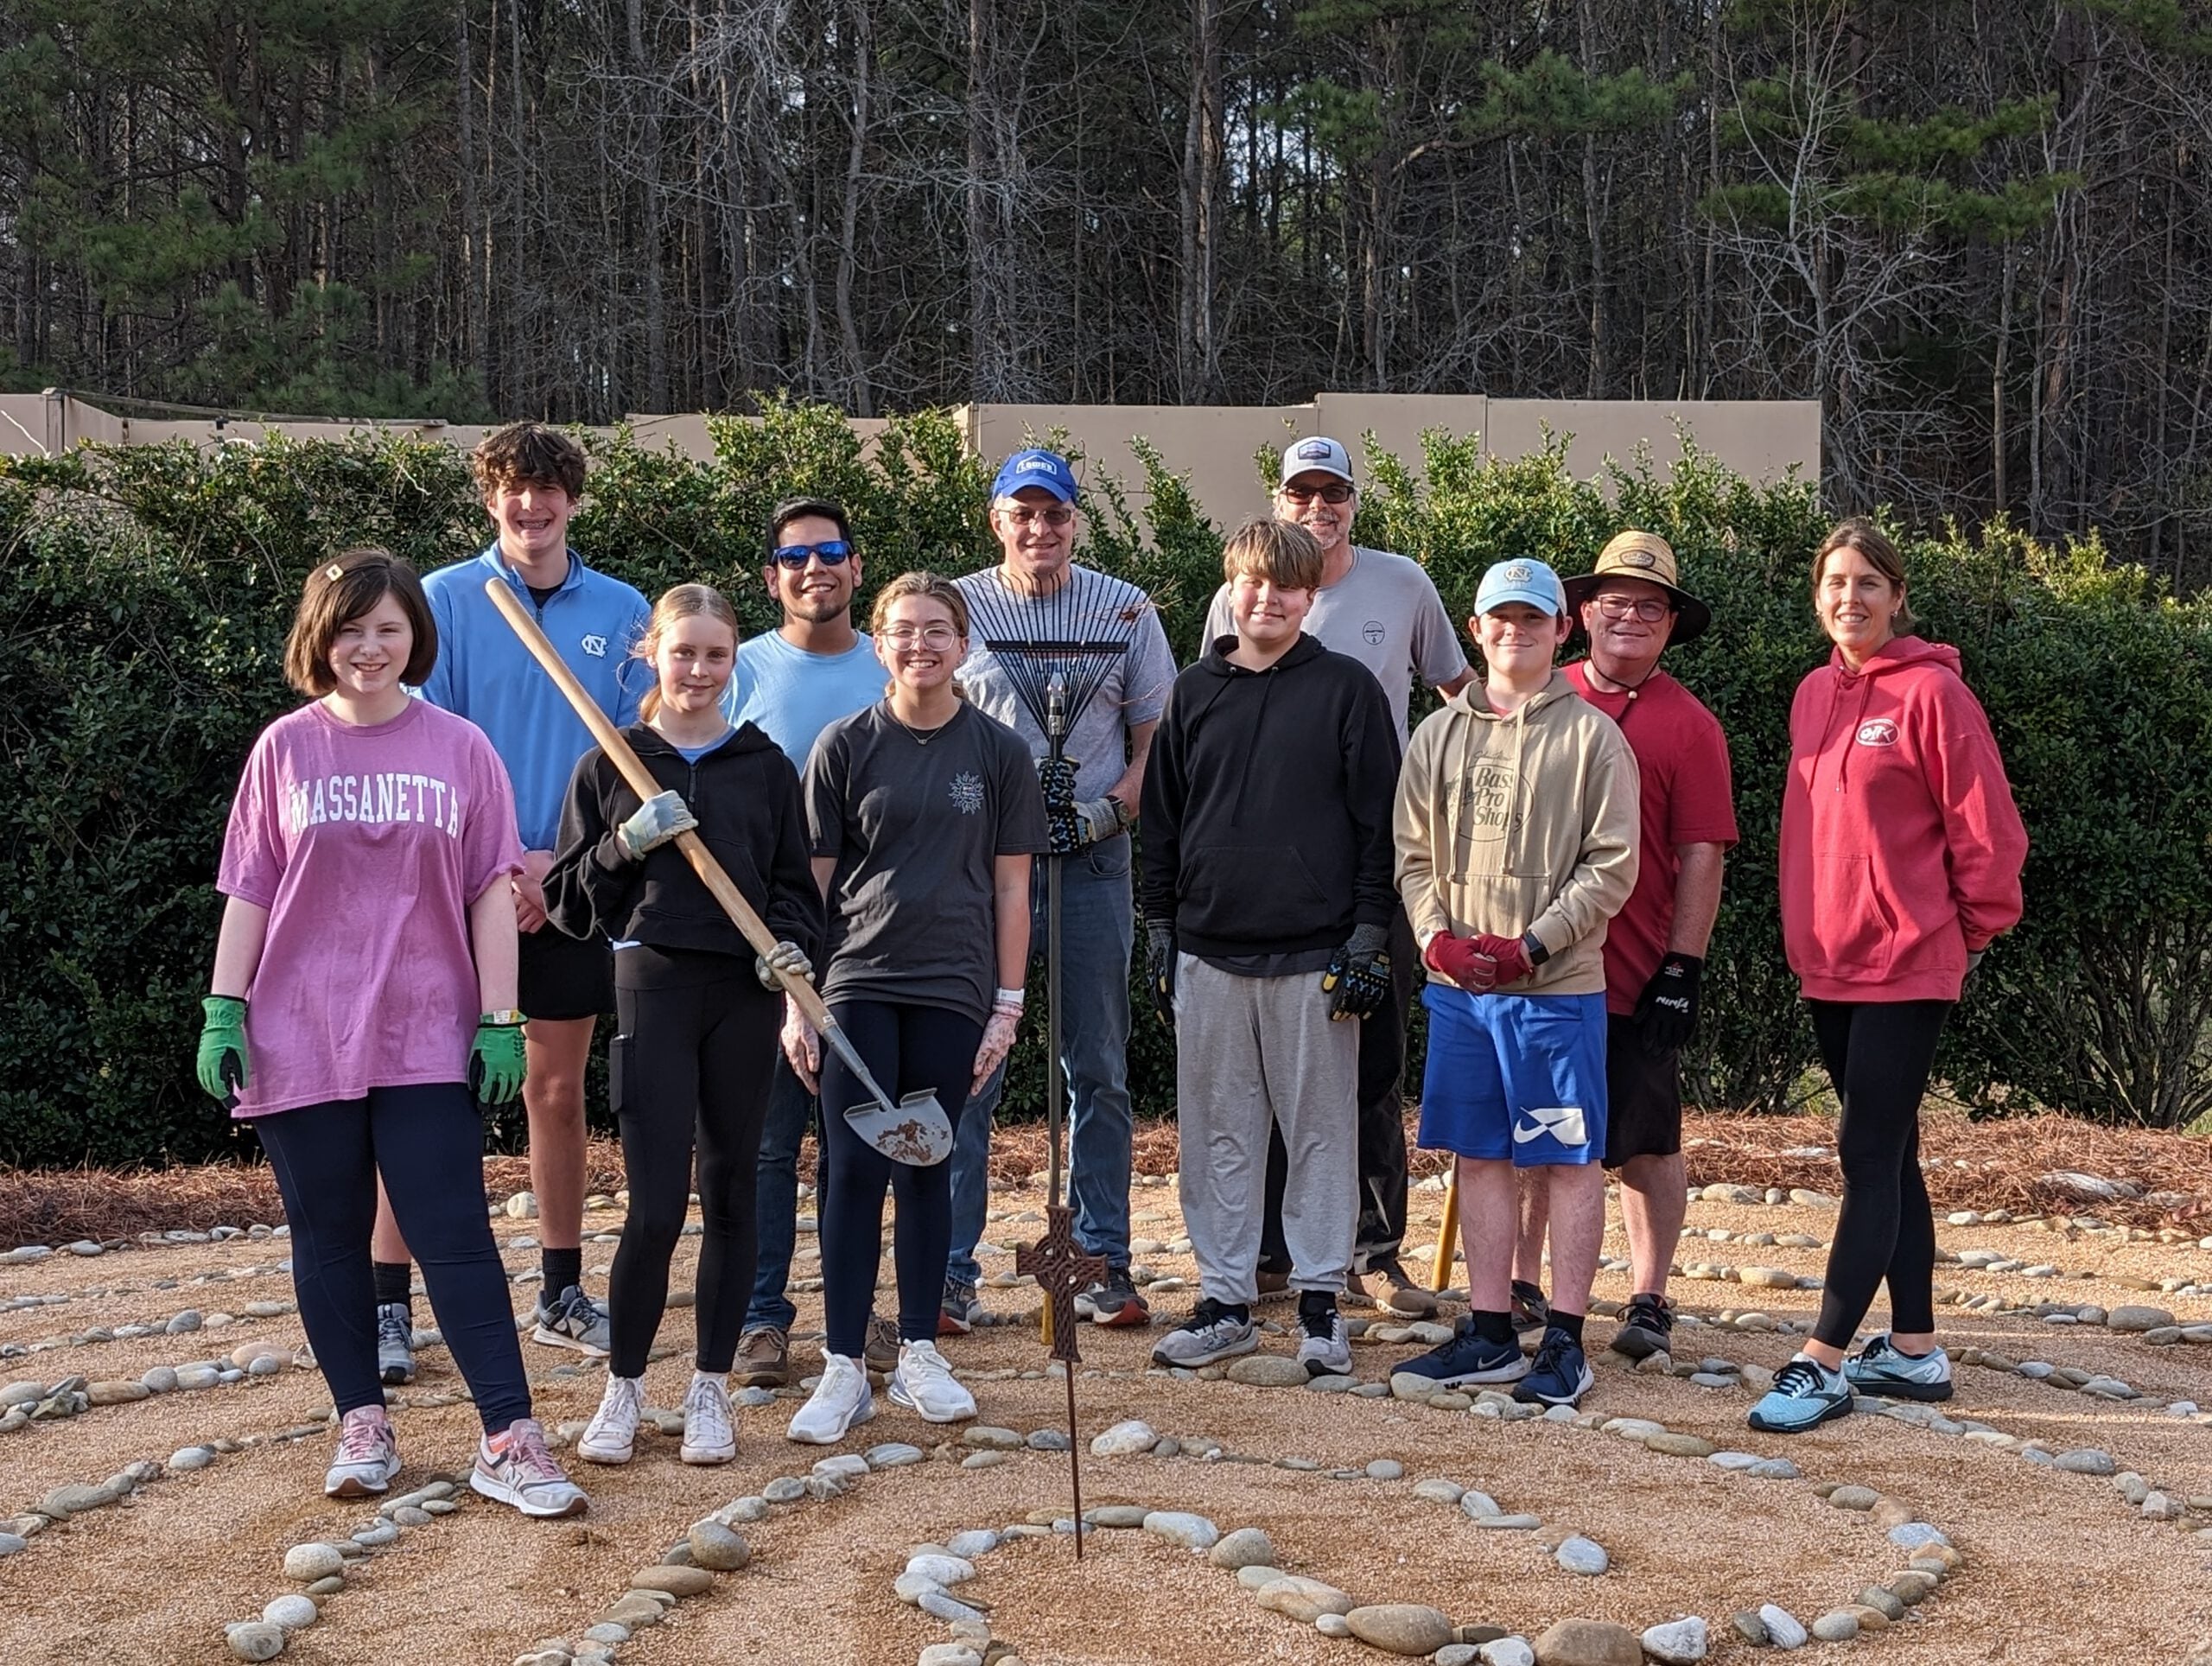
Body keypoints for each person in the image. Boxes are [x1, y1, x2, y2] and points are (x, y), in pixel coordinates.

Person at [197, 547, 587, 1517]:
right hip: (300, 1026)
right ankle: (360, 1418)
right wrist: (222, 1006)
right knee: (328, 1238)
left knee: (453, 1232)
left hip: (424, 1026)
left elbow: (492, 893)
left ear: (416, 634)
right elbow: (250, 887)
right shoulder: (283, 748)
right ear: (319, 639)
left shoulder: (460, 747)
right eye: (350, 627)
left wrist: (502, 1017)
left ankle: (509, 1433)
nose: (369, 645)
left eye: (388, 627)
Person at [374, 422, 649, 1384]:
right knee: (422, 1094)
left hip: (569, 888)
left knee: (557, 1090)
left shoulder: (621, 610)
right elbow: (424, 743)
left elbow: (633, 753)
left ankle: (562, 1286)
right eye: (512, 491)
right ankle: (387, 1303)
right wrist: (497, 864)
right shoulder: (444, 600)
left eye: (548, 491)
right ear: (490, 499)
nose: (531, 507)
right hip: (458, 889)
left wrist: (556, 862)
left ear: (573, 498)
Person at [1748, 518, 2025, 1433]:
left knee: (1865, 1152)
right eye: (1834, 581)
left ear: (1897, 596)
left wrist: (1967, 934)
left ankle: (1821, 1358)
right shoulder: (1807, 695)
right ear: (1816, 594)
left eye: (1869, 582)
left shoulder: (1933, 694)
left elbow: (1986, 829)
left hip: (1907, 960)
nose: (1849, 598)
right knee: (1893, 1151)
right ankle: (1912, 1350)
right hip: (1829, 961)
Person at [544, 584, 821, 1466]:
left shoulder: (764, 765)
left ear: (733, 662)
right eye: (682, 652)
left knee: (732, 1191)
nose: (698, 670)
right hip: (652, 984)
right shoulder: (614, 763)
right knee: (656, 1204)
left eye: (715, 655)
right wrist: (626, 841)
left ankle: (708, 1386)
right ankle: (624, 1386)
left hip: (741, 990)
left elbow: (794, 886)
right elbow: (569, 902)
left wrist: (788, 944)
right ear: (650, 655)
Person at [1204, 436, 1474, 1314]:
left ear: (1354, 499)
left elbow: (1455, 693)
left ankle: (1372, 1248)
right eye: (1301, 491)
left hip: (1377, 855)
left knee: (1369, 1055)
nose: (1317, 506)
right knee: (1267, 1064)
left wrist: (1486, 782)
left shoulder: (1403, 585)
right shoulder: (1236, 594)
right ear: (1277, 498)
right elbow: (1216, 711)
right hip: (1267, 868)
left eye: (1334, 492)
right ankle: (1278, 1250)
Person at [785, 573, 1049, 1442]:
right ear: (878, 640)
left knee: (931, 1159)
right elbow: (813, 888)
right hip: (857, 981)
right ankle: (842, 1365)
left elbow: (1014, 886)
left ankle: (923, 1351)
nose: (920, 645)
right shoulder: (844, 744)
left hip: (956, 983)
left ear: (963, 642)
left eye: (938, 630)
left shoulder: (1000, 752)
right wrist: (800, 1001)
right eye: (903, 630)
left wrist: (1008, 1003)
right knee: (854, 1167)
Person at [1143, 519, 1401, 1376]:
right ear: (1231, 585)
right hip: (1209, 948)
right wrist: (1157, 925)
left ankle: (1322, 1304)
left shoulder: (1346, 689)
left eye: (1285, 585)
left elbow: (1378, 823)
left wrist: (1370, 930)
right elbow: (1163, 824)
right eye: (1253, 582)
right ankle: (1225, 1298)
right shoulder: (1190, 691)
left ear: (1308, 595)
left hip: (1316, 949)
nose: (1267, 598)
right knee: (1219, 1131)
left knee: (1322, 1132)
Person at [1391, 559, 1639, 1408]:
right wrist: (1436, 940)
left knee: (1568, 1157)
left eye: (1533, 619)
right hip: (1463, 993)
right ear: (1474, 625)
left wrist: (1534, 943)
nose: (1515, 631)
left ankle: (1564, 1339)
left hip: (1554, 993)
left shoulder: (1593, 738)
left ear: (1560, 629)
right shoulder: (1437, 736)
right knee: (1479, 1153)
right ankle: (1491, 1327)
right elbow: (1413, 857)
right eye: (1500, 617)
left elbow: (1610, 867)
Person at [942, 448, 1176, 1332]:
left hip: (1089, 859)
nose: (1039, 529)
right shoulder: (959, 608)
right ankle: (951, 1266)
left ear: (1076, 519)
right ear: (997, 519)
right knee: (972, 1065)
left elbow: (1156, 741)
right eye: (1022, 513)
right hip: (985, 866)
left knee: (1098, 1067)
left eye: (1055, 513)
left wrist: (1106, 816)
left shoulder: (1125, 607)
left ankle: (1101, 1259)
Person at [1508, 531, 1737, 1359]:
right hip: (1538, 964)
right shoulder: (1536, 695)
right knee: (1536, 1135)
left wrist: (1684, 967)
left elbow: (1701, 852)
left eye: (1649, 606)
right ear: (1583, 613)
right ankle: (1524, 1282)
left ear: (1671, 624)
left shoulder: (1691, 727)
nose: (1630, 618)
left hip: (1633, 970)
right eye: (1614, 603)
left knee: (1647, 1141)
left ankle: (1649, 1295)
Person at [725, 498, 904, 1391]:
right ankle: (762, 1316)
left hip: (867, 935)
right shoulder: (740, 666)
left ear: (856, 567)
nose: (813, 568)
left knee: (852, 1139)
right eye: (794, 557)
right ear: (771, 577)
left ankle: (854, 1307)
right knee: (767, 1140)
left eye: (830, 552)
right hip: (759, 931)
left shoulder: (892, 662)